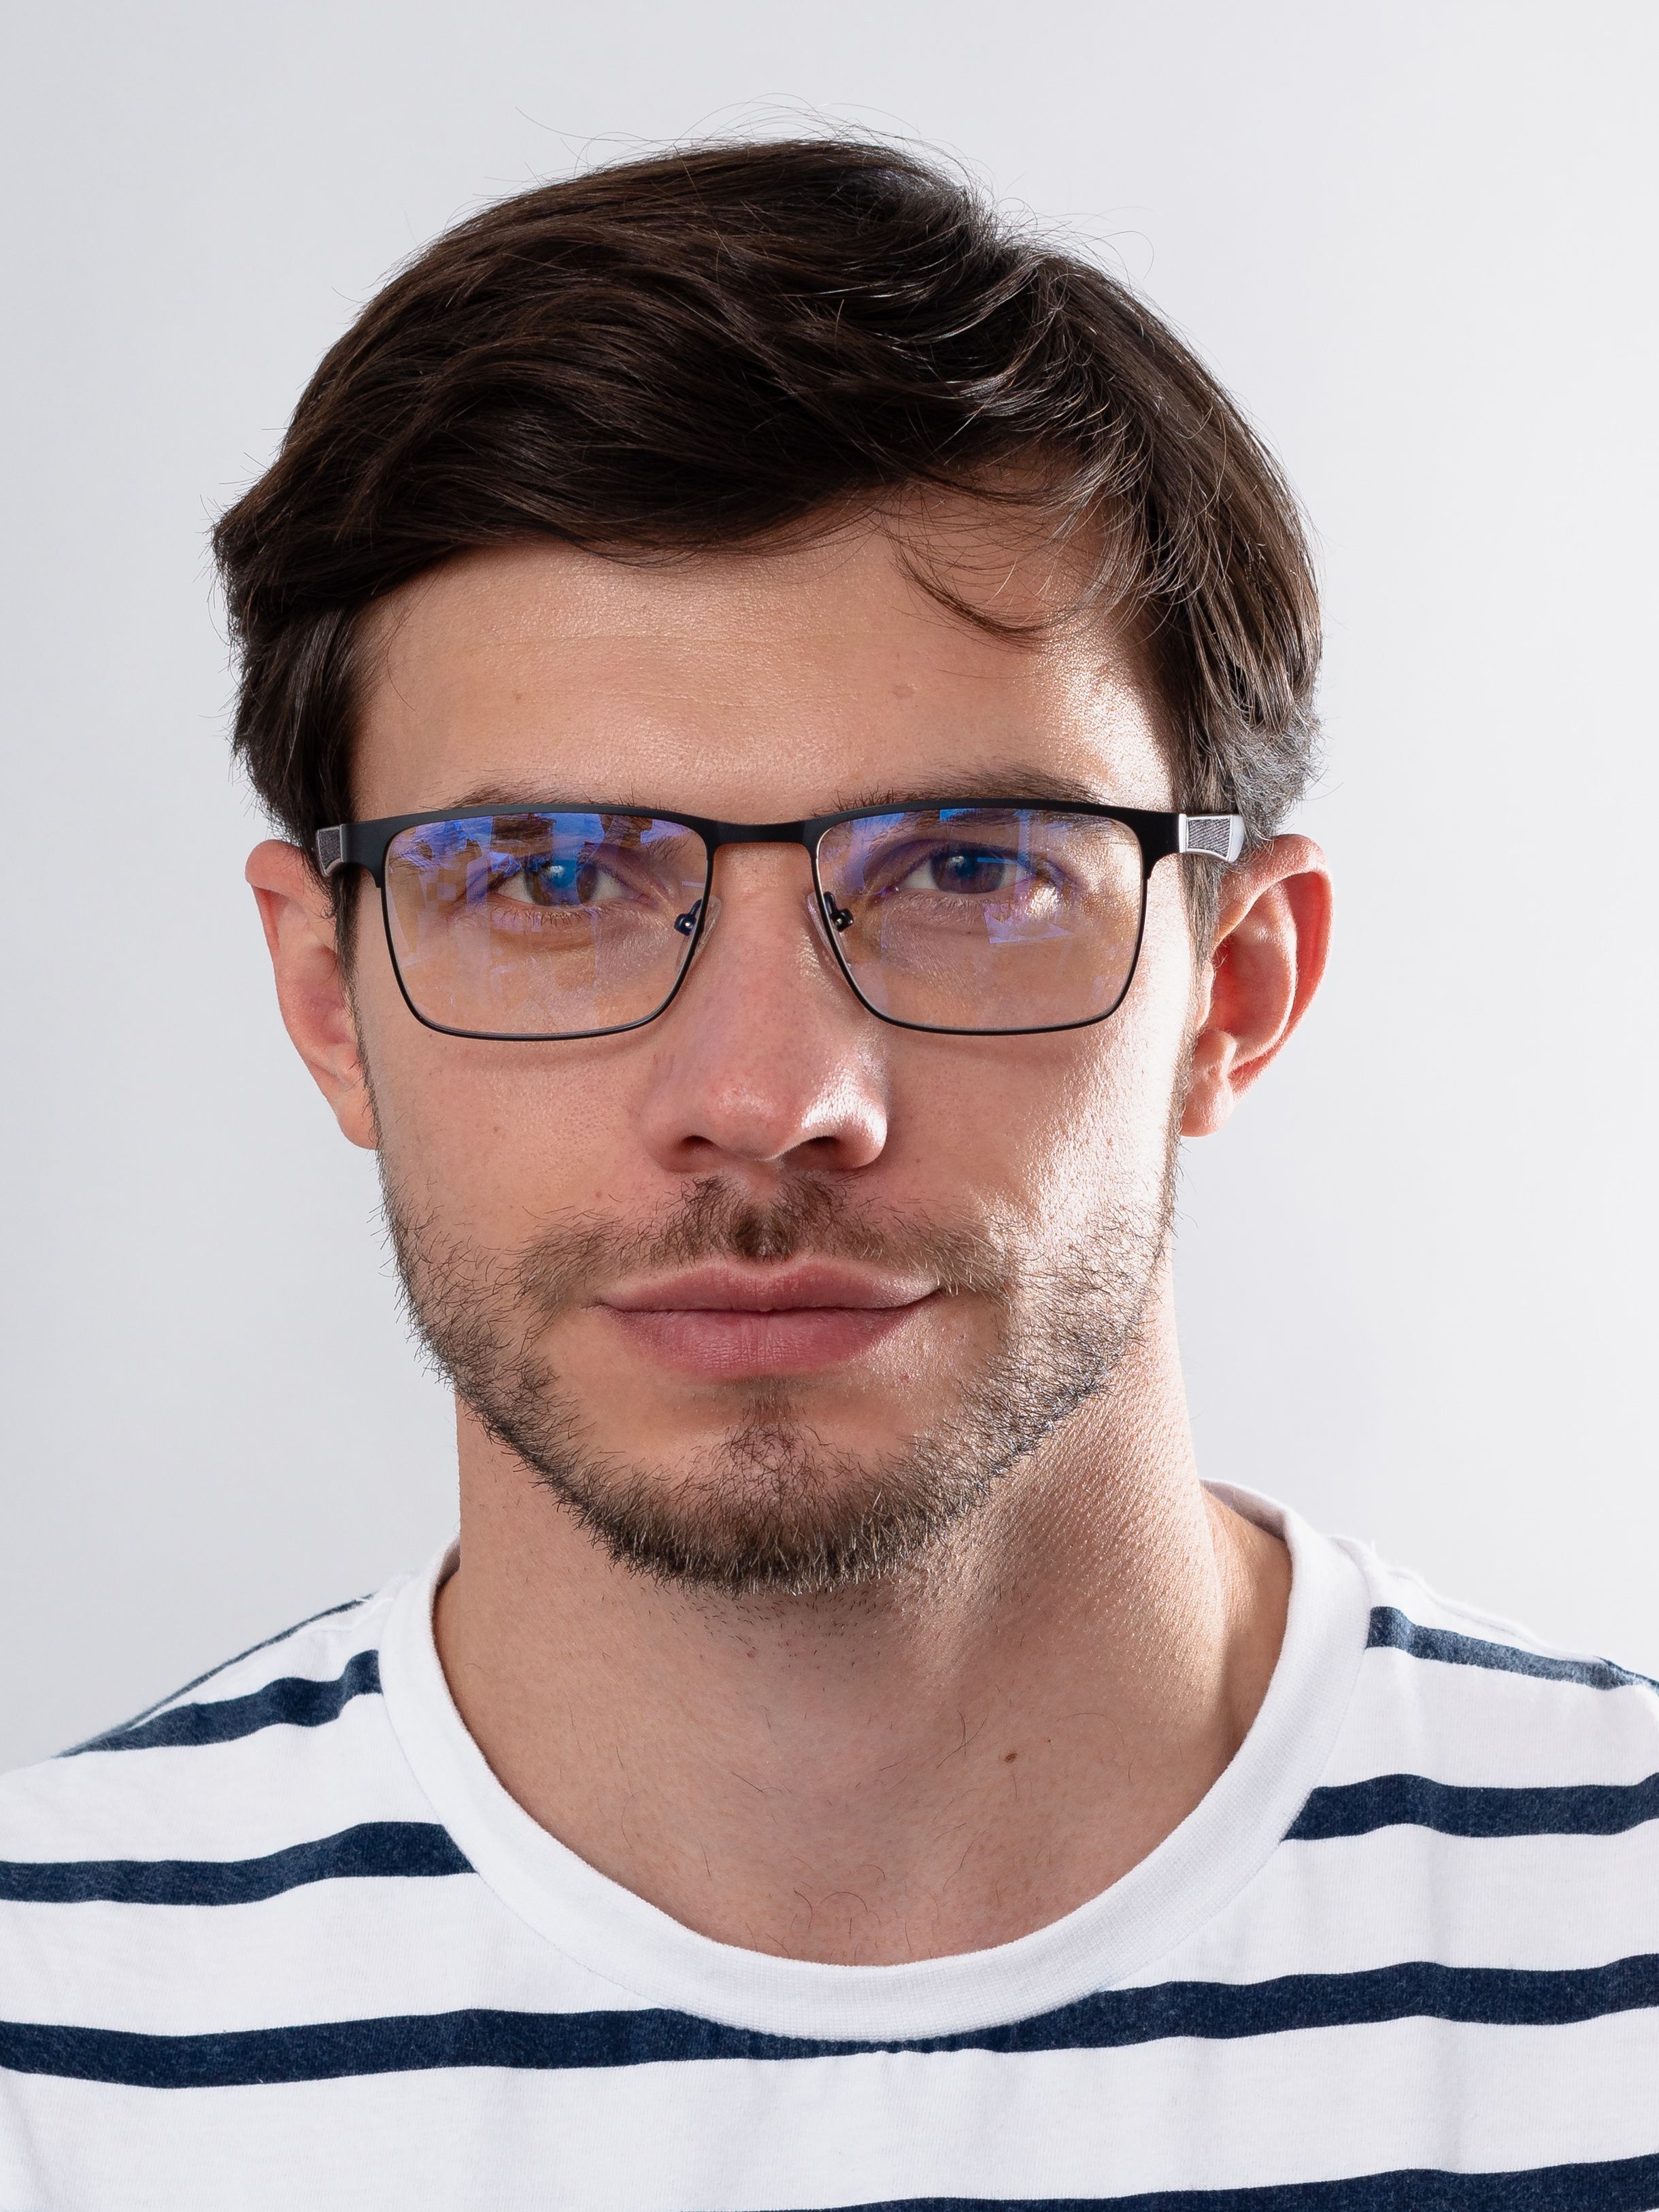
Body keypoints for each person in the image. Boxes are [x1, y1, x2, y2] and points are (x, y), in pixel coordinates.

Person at [1, 136, 1654, 2210]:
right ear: (328, 1000)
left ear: (1234, 987)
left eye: (969, 867)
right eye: (550, 877)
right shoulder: (45, 2046)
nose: (769, 1095)